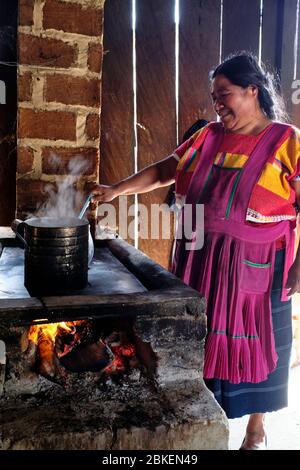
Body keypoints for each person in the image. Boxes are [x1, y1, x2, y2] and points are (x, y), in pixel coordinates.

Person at [92, 53, 300, 450]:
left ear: (252, 90)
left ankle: (256, 429)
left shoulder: (287, 141)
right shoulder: (207, 136)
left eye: (226, 95)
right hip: (199, 257)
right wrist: (116, 189)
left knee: (258, 342)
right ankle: (208, 417)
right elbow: (164, 170)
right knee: (200, 339)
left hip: (257, 266)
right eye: (214, 97)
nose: (218, 105)